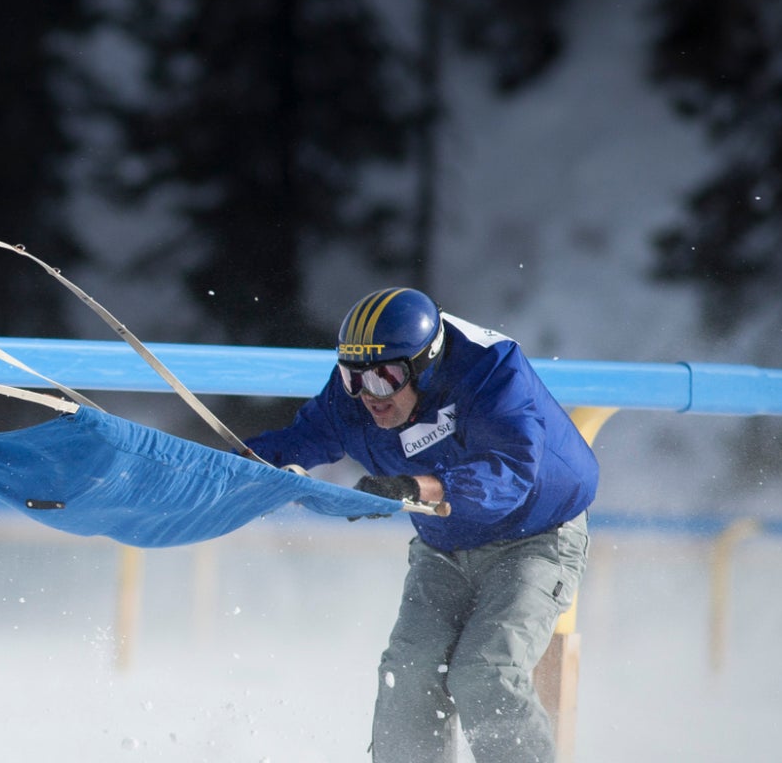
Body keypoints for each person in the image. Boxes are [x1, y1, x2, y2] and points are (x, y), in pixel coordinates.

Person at [242, 287, 598, 763]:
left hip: (536, 536)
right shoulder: (359, 388)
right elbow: (298, 441)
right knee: (407, 672)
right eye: (353, 377)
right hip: (445, 541)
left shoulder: (491, 370)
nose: (369, 394)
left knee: (485, 672)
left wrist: (419, 488)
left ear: (426, 363)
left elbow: (509, 473)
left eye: (387, 377)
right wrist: (225, 471)